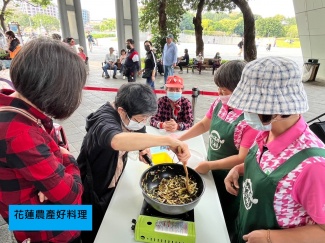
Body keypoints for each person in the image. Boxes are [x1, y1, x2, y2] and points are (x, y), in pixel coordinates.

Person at [224, 56, 325, 243]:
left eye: (253, 107)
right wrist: (238, 169)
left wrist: (271, 237)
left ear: (278, 110)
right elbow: (266, 167)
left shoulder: (313, 166)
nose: (246, 112)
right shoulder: (266, 130)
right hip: (244, 227)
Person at [77, 83, 191, 243]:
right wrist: (167, 140)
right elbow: (116, 141)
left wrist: (144, 148)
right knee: (93, 229)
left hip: (113, 177)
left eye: (146, 118)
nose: (143, 122)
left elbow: (139, 130)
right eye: (140, 119)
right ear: (122, 111)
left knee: (109, 222)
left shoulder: (129, 116)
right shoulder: (103, 120)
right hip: (93, 185)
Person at [0, 38, 87, 243]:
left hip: (23, 214)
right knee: (84, 216)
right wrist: (68, 159)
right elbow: (71, 196)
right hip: (46, 229)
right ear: (55, 87)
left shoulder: (14, 106)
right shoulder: (21, 134)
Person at [178, 60, 259, 240]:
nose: (220, 93)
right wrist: (178, 138)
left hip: (232, 178)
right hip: (212, 168)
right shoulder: (219, 103)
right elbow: (204, 124)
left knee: (223, 216)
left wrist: (209, 165)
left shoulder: (250, 120)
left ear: (242, 89)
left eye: (225, 90)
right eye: (219, 89)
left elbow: (243, 158)